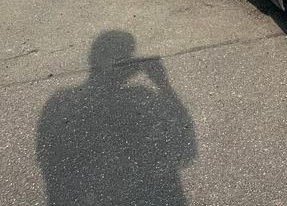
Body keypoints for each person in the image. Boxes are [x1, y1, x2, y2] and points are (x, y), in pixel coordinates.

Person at [36, 31, 196, 205]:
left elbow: (49, 164)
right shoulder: (141, 98)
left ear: (92, 59)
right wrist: (163, 85)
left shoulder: (60, 101)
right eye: (127, 58)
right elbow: (186, 149)